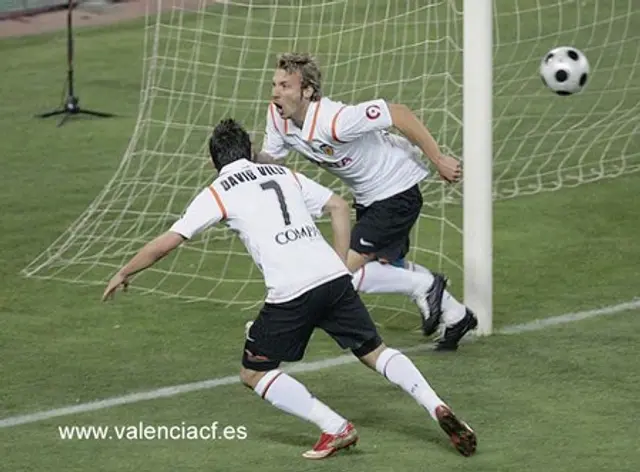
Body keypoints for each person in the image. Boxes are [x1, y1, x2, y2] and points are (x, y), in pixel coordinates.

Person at [102, 118, 477, 459]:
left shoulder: (217, 191)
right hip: (333, 279)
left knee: (254, 373)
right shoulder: (283, 174)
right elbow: (338, 205)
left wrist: (125, 271)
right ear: (249, 150)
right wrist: (341, 264)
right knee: (376, 352)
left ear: (213, 160)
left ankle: (335, 427)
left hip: (292, 293)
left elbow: (169, 240)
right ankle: (435, 404)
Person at [253, 52, 477, 350]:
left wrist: (438, 159)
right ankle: (456, 315)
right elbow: (273, 160)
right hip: (370, 198)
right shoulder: (278, 117)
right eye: (275, 85)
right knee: (388, 264)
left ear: (307, 90)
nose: (276, 92)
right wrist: (247, 156)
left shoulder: (335, 120)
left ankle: (427, 286)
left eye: (285, 86)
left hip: (397, 191)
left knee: (340, 271)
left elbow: (399, 113)